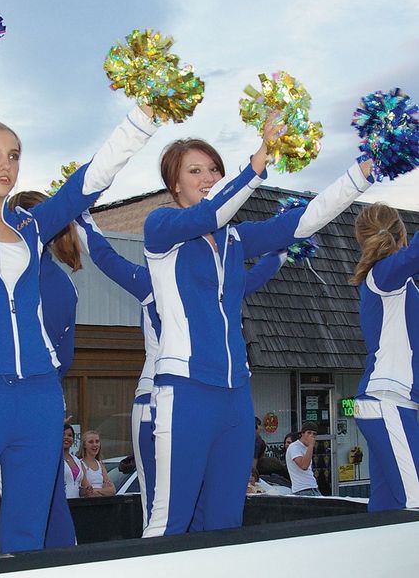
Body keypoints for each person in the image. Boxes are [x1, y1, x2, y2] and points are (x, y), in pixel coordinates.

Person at [0, 80, 157, 557]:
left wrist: (143, 120)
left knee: (28, 537)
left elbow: (86, 184)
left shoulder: (30, 226)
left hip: (39, 397)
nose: (6, 165)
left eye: (13, 155)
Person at [142, 120, 375, 536]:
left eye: (214, 169)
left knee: (227, 521)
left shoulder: (235, 238)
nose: (209, 177)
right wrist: (259, 160)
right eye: (195, 171)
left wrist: (361, 174)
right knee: (171, 520)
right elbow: (211, 212)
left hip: (236, 398)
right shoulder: (161, 228)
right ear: (174, 184)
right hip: (186, 390)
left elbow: (305, 220)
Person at [77, 211, 286, 527]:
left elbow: (104, 255)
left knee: (177, 513)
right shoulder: (152, 282)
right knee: (168, 516)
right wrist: (285, 247)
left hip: (174, 401)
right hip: (165, 402)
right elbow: (257, 274)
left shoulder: (166, 283)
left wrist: (82, 216)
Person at [351, 203, 419, 512]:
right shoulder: (384, 275)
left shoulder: (395, 281)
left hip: (381, 403)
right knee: (415, 502)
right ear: (402, 233)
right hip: (387, 401)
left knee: (387, 505)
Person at [285, 422, 321, 496]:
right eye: (309, 433)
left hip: (313, 486)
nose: (311, 436)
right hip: (302, 489)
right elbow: (304, 466)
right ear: (302, 434)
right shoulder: (294, 447)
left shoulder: (307, 448)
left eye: (314, 434)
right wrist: (311, 445)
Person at [79, 430, 116, 497]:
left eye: (97, 441)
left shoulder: (100, 465)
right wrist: (104, 490)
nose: (95, 444)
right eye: (91, 442)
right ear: (84, 445)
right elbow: (88, 492)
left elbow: (112, 490)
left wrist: (96, 490)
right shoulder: (80, 464)